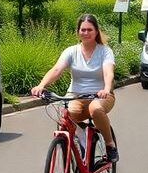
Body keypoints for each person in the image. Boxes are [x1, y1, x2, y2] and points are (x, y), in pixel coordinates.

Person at [31, 14, 118, 162]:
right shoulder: (71, 51)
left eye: (89, 29)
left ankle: (110, 145)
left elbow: (108, 72)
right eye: (82, 30)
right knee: (65, 114)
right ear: (78, 32)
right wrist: (41, 85)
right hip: (76, 95)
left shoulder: (104, 51)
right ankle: (82, 140)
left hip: (101, 95)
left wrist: (106, 89)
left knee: (96, 109)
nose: (86, 33)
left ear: (96, 31)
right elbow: (56, 70)